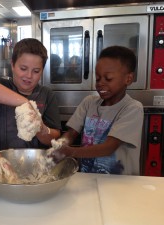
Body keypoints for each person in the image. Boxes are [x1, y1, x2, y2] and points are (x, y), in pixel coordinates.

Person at [49, 45, 143, 175]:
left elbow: (109, 147)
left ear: (128, 79)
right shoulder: (89, 103)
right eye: (98, 78)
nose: (100, 83)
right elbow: (71, 134)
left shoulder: (132, 108)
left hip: (121, 183)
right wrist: (59, 146)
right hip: (89, 179)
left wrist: (70, 152)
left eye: (108, 78)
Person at [0, 38, 62, 150]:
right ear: (12, 65)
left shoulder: (47, 95)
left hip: (36, 160)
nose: (29, 75)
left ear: (42, 71)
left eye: (36, 71)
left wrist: (41, 129)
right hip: (1, 157)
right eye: (23, 68)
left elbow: (54, 136)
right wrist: (26, 104)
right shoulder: (2, 86)